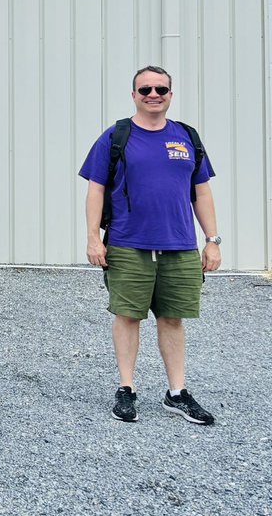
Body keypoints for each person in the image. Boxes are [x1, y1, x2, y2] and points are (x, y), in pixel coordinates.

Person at [80, 65, 221, 425]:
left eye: (161, 89)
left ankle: (176, 393)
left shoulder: (187, 137)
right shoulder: (116, 136)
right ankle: (126, 389)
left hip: (179, 246)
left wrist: (213, 241)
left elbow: (201, 191)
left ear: (171, 95)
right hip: (128, 244)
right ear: (134, 95)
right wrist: (93, 237)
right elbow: (96, 188)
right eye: (145, 90)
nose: (153, 95)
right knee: (128, 316)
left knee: (172, 319)